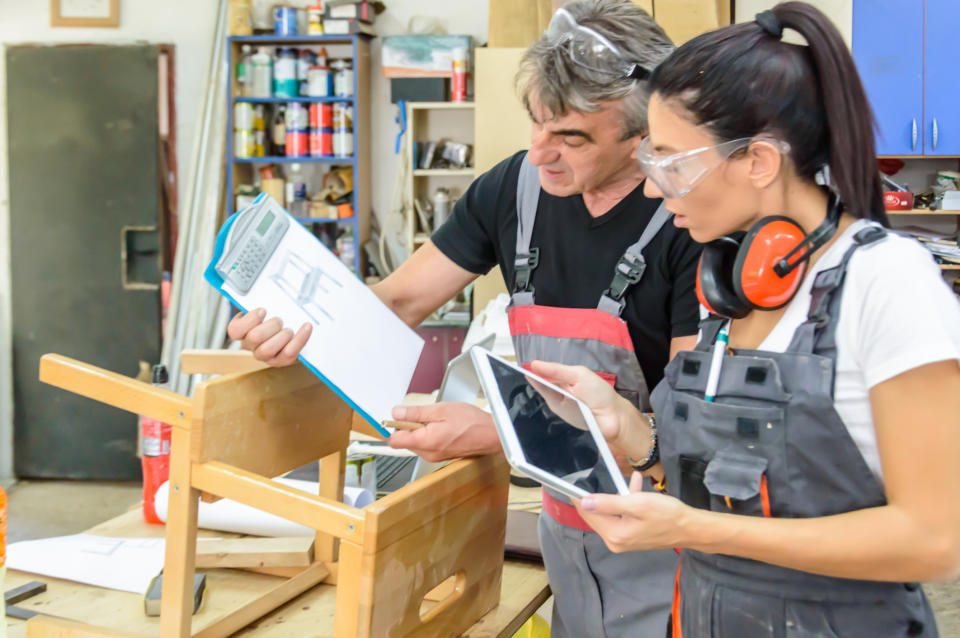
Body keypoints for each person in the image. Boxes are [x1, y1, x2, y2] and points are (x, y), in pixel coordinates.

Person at [227, 2, 703, 634]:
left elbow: (681, 440)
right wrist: (295, 325)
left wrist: (501, 434)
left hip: (667, 547)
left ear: (645, 136)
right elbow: (398, 303)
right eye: (536, 123)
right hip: (567, 534)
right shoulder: (513, 190)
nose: (539, 154)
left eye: (572, 138)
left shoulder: (692, 223)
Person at [532, 3, 960, 636]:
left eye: (672, 163)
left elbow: (934, 538)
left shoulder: (886, 282)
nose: (653, 188)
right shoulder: (732, 282)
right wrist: (630, 431)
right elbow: (740, 476)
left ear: (758, 161)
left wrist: (697, 529)